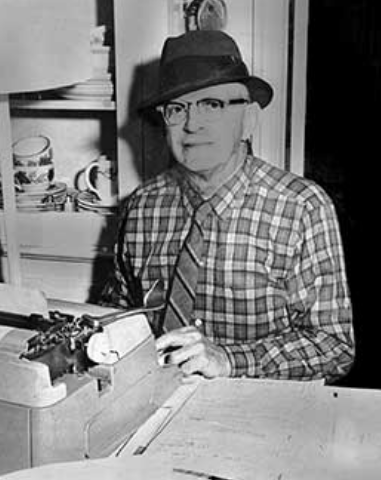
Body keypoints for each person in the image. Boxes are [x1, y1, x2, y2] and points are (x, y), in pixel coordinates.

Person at [100, 29, 354, 383]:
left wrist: (229, 360)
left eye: (212, 105)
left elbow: (333, 346)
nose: (192, 124)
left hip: (262, 418)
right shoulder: (142, 206)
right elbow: (118, 312)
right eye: (177, 109)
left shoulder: (302, 208)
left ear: (248, 120)